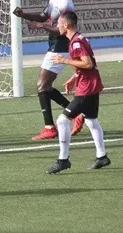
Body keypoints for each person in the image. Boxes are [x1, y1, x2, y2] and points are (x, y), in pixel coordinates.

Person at [12, 0, 82, 140]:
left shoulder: (65, 4)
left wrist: (41, 26)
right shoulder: (54, 0)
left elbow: (62, 30)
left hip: (60, 46)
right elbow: (44, 16)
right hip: (54, 45)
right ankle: (75, 113)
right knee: (45, 87)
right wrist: (24, 14)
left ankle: (50, 127)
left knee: (42, 85)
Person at [47, 11, 111, 174]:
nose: (57, 26)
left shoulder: (76, 43)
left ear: (66, 25)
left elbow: (88, 64)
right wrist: (74, 78)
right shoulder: (79, 39)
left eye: (59, 23)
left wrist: (64, 60)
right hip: (91, 85)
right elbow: (86, 65)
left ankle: (63, 160)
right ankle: (102, 156)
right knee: (91, 120)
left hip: (87, 88)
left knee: (62, 121)